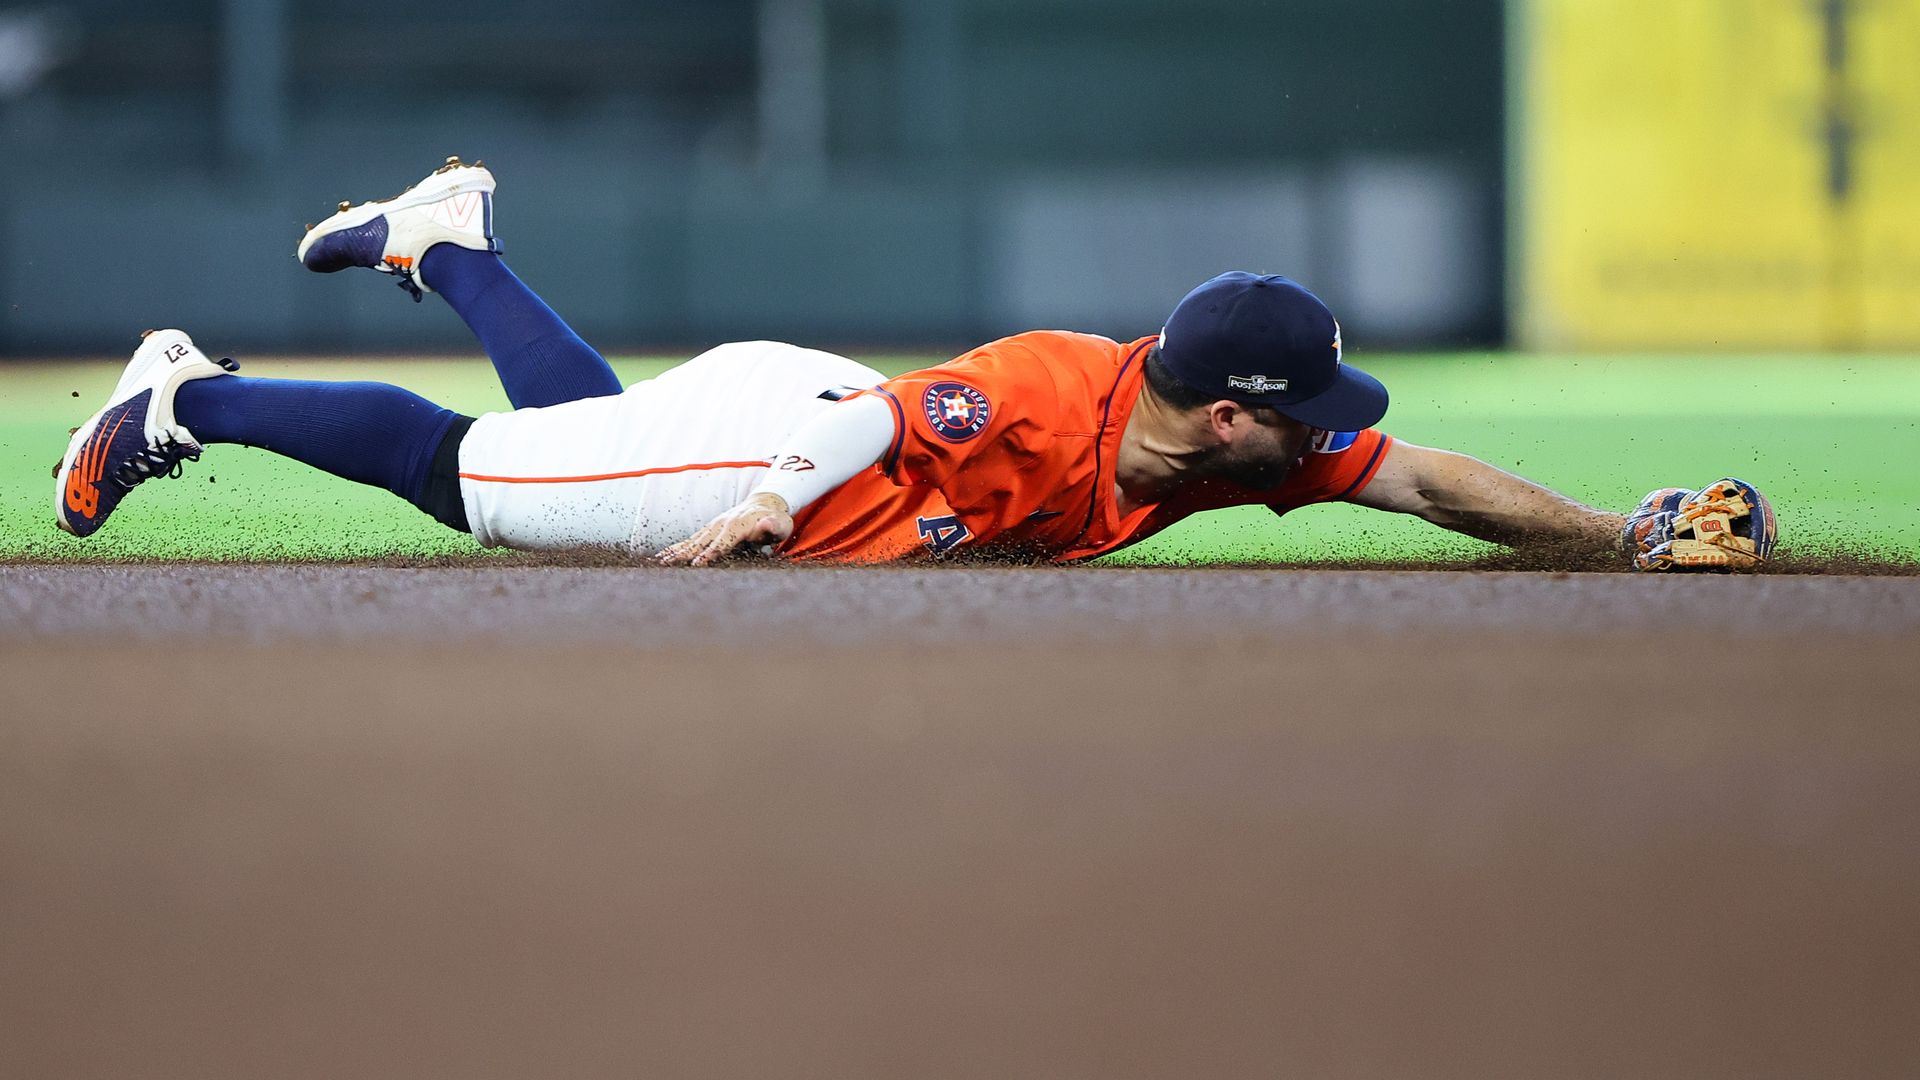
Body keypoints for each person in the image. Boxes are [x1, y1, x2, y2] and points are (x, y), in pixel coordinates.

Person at [54, 158, 1774, 571]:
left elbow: (1424, 476)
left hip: (796, 418)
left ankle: (449, 242)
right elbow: (884, 420)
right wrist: (757, 513)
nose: (1330, 440)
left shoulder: (1218, 442)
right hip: (784, 444)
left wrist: (1622, 534)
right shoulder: (1049, 387)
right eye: (1302, 414)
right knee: (479, 483)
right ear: (1228, 414)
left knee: (584, 435)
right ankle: (183, 392)